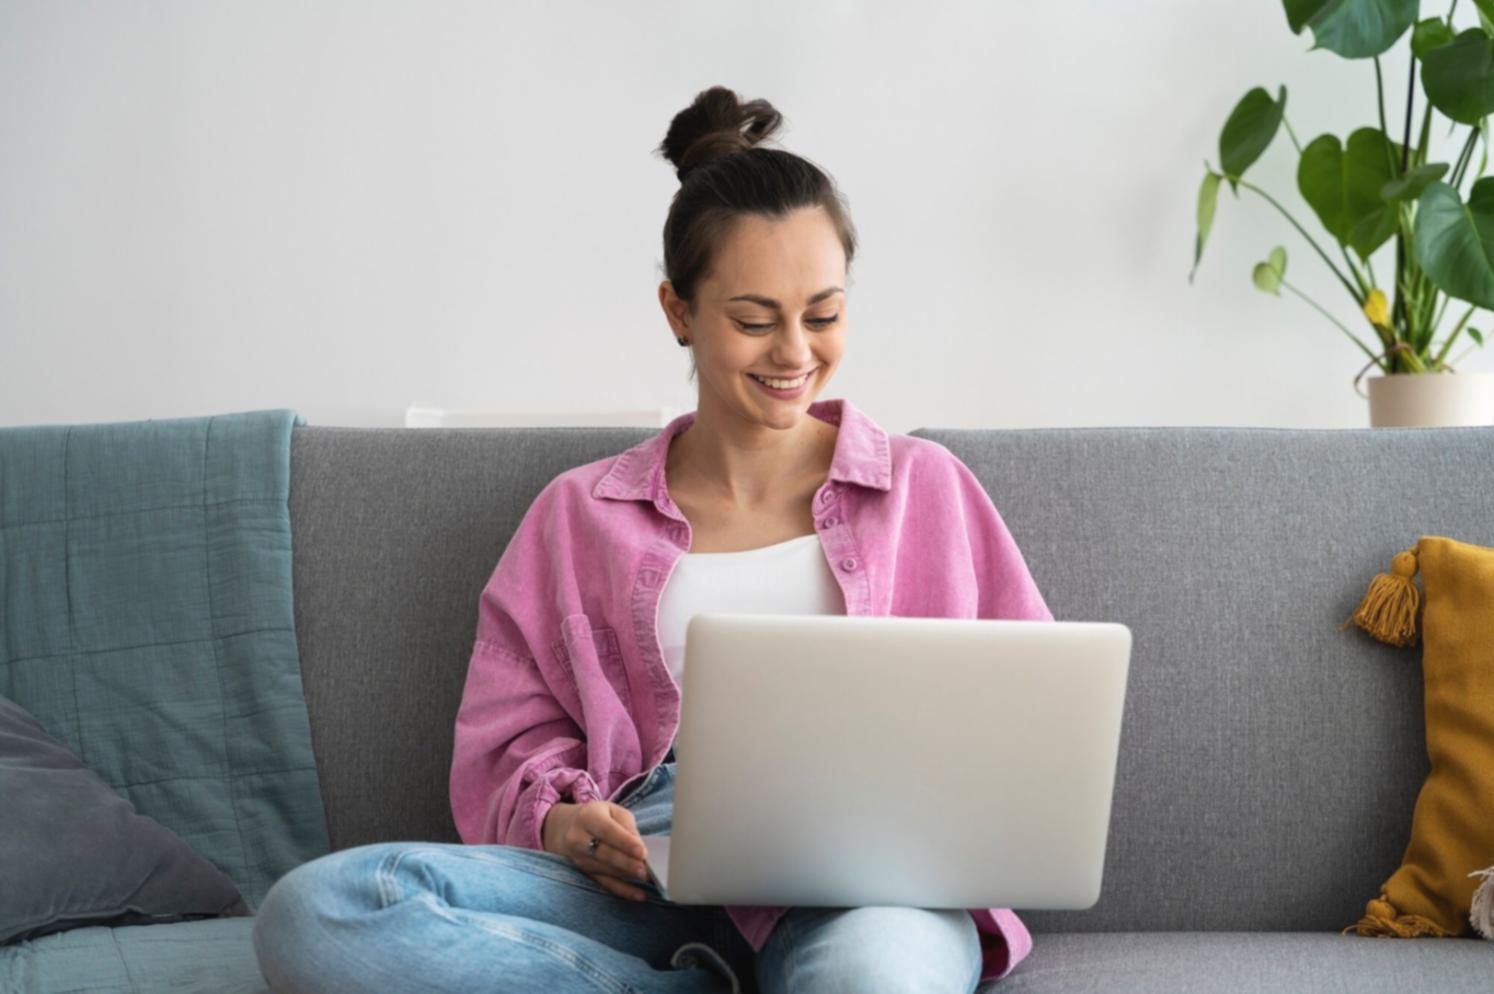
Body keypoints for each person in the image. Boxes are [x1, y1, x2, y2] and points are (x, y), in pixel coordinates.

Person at [252, 84, 1053, 994]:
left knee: (875, 979)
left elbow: (1030, 717)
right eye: (754, 320)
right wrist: (561, 820)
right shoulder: (578, 514)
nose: (795, 351)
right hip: (644, 876)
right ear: (679, 312)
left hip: (870, 885)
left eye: (823, 314)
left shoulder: (926, 489)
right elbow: (508, 741)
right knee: (323, 912)